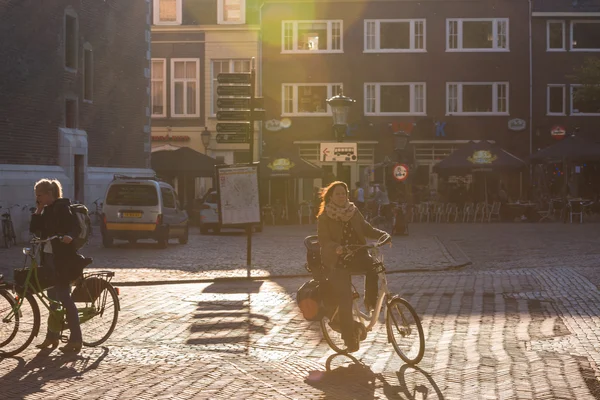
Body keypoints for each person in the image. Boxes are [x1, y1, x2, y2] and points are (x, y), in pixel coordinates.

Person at [317, 181, 388, 352]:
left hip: (358, 254)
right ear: (331, 197)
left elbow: (366, 228)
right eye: (338, 194)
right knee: (345, 299)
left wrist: (383, 235)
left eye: (344, 193)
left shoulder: (353, 211)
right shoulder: (325, 217)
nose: (342, 196)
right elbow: (324, 240)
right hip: (338, 260)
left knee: (374, 267)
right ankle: (349, 339)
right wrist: (336, 248)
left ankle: (370, 302)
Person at [30, 178, 83, 353]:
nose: (37, 198)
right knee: (52, 298)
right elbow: (34, 230)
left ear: (48, 194)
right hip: (48, 258)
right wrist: (38, 210)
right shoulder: (46, 210)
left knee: (64, 297)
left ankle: (76, 339)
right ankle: (51, 337)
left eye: (39, 195)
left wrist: (69, 236)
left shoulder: (62, 208)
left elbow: (75, 228)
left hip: (62, 260)